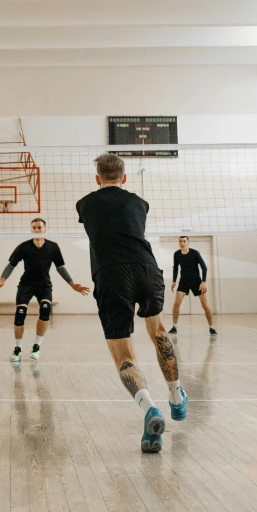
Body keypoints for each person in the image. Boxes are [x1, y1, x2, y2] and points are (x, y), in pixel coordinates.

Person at [76, 153, 187, 453]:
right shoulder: (140, 203)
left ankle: (150, 408)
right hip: (146, 269)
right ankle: (176, 398)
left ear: (97, 178)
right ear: (124, 178)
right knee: (158, 333)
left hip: (112, 276)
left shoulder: (85, 204)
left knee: (123, 355)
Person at [0, 217, 89, 361]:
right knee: (20, 314)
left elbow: (60, 267)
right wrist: (1, 281)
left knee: (45, 311)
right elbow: (10, 265)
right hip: (26, 285)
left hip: (44, 286)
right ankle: (18, 349)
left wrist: (72, 284)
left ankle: (36, 347)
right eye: (34, 228)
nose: (37, 230)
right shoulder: (23, 247)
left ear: (45, 229)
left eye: (39, 227)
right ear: (31, 230)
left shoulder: (53, 247)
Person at [170, 236, 217, 335]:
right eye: (180, 241)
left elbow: (204, 268)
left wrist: (203, 281)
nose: (182, 243)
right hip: (184, 281)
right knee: (176, 303)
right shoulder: (177, 254)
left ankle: (211, 327)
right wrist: (174, 281)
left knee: (205, 304)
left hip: (196, 281)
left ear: (188, 243)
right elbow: (175, 268)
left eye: (184, 241)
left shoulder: (195, 253)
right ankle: (174, 327)